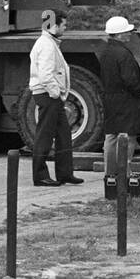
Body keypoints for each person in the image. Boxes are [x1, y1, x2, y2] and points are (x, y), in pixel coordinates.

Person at [29, 11, 82, 187]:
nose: (65, 28)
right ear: (54, 26)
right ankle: (40, 176)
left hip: (49, 95)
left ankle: (65, 173)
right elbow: (45, 74)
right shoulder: (46, 45)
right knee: (45, 135)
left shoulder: (48, 43)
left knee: (63, 134)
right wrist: (55, 93)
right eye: (63, 25)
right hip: (47, 95)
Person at [99, 15, 140, 179]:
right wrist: (139, 92)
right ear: (119, 35)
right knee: (128, 137)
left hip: (110, 99)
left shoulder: (105, 52)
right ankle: (124, 173)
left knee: (111, 136)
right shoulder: (123, 54)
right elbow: (130, 80)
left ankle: (109, 173)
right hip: (126, 101)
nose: (129, 34)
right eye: (127, 32)